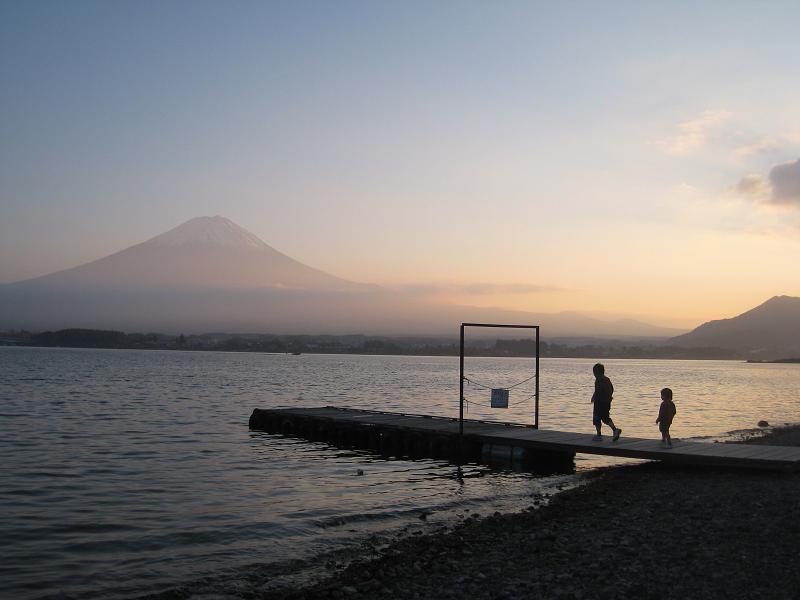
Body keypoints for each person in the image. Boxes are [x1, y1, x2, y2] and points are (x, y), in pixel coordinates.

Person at [590, 363, 621, 441]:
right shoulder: (607, 379)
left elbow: (598, 390)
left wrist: (594, 397)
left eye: (594, 372)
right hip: (607, 402)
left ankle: (599, 435)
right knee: (605, 418)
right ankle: (615, 430)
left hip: (599, 402)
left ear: (596, 372)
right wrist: (609, 397)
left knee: (596, 418)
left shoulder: (598, 379)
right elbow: (612, 389)